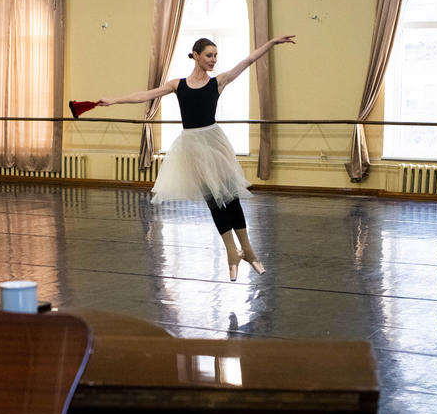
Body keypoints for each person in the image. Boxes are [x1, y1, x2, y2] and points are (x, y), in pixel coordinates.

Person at [100, 35, 295, 280]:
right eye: (209, 55)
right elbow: (146, 95)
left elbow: (248, 60)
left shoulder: (219, 82)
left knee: (231, 198)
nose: (213, 60)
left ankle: (248, 250)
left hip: (214, 144)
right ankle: (230, 252)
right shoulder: (177, 85)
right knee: (213, 201)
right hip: (191, 147)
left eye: (215, 56)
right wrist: (114, 101)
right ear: (196, 55)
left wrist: (273, 42)